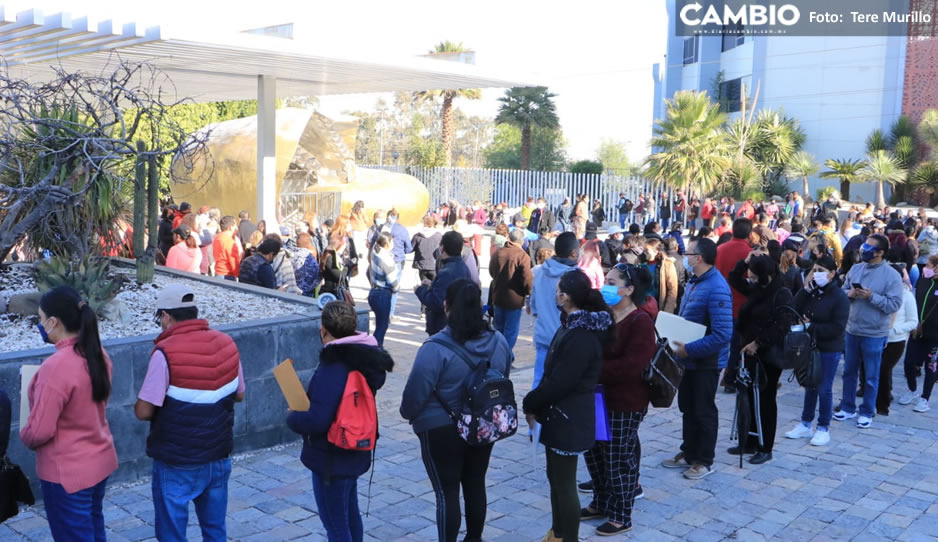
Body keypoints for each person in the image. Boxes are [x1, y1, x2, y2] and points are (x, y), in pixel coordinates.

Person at [400, 280, 512, 542]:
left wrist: (408, 414)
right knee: (475, 483)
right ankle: (474, 539)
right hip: (484, 423)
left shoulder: (435, 348)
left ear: (446, 305)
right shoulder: (499, 342)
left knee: (446, 492)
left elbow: (415, 395)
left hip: (440, 428)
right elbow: (501, 379)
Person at [134, 284, 244, 542]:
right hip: (218, 457)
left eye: (159, 318)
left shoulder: (165, 353)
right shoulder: (227, 343)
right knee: (215, 530)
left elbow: (143, 411)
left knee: (172, 533)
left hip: (177, 461)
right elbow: (239, 394)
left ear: (166, 317)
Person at [287, 301, 393, 542]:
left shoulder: (333, 367)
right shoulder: (365, 358)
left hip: (331, 457)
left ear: (323, 329)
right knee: (350, 517)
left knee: (336, 527)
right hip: (355, 449)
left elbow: (317, 420)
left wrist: (293, 416)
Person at [20, 286, 117, 541]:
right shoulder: (98, 354)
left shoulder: (56, 367)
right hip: (99, 460)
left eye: (41, 319)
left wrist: (25, 434)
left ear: (53, 322)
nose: (40, 325)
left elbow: (39, 431)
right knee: (94, 529)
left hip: (67, 474)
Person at [523, 269, 613, 542]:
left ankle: (568, 537)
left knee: (564, 484)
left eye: (558, 290)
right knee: (556, 477)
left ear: (565, 296)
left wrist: (531, 401)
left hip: (569, 416)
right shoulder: (572, 325)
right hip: (560, 413)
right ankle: (558, 533)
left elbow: (562, 380)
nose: (555, 295)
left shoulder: (582, 334)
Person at [581, 264, 655, 536]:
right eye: (606, 280)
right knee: (595, 454)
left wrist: (591, 370)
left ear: (629, 289)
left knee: (617, 458)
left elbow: (631, 366)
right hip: (597, 397)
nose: (606, 286)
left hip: (624, 402)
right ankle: (601, 502)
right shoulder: (604, 315)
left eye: (612, 282)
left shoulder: (640, 321)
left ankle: (621, 515)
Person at [662, 238, 732, 480]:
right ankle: (689, 451)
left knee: (703, 410)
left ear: (699, 258)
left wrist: (689, 349)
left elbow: (723, 334)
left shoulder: (716, 287)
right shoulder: (695, 282)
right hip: (687, 359)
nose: (685, 257)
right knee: (688, 407)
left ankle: (704, 459)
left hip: (706, 361)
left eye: (689, 253)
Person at [727, 253, 794, 464]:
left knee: (765, 401)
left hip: (767, 354)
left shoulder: (781, 293)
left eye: (755, 277)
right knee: (746, 397)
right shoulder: (758, 289)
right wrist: (744, 262)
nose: (752, 280)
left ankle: (766, 447)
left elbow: (781, 326)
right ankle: (749, 440)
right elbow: (734, 279)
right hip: (747, 351)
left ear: (766, 275)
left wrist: (758, 343)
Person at [834, 234, 904, 428]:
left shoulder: (892, 275)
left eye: (869, 247)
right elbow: (842, 291)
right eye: (864, 246)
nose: (864, 250)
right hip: (852, 329)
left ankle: (867, 410)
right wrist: (849, 293)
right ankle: (847, 407)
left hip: (875, 333)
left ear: (880, 252)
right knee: (849, 371)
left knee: (872, 376)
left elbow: (894, 304)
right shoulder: (856, 269)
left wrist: (871, 297)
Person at [785, 255, 850, 446]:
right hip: (810, 347)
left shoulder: (839, 297)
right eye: (814, 270)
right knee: (810, 385)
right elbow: (793, 309)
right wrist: (804, 291)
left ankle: (823, 427)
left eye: (821, 271)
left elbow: (838, 327)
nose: (816, 274)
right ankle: (805, 423)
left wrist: (811, 326)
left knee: (824, 388)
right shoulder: (813, 292)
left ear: (832, 273)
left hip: (829, 348)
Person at [530, 233, 580, 388]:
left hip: (543, 335)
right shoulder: (576, 277)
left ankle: (533, 410)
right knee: (564, 383)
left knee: (539, 379)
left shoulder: (539, 272)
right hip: (566, 339)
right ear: (574, 253)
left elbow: (534, 307)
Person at [873, 264, 919, 415]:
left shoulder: (907, 296)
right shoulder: (881, 293)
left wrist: (894, 330)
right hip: (877, 336)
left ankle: (882, 406)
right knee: (874, 371)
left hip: (896, 341)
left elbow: (913, 322)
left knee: (883, 370)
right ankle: (872, 402)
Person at [715, 218, 754, 393]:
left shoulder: (719, 249)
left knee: (718, 341)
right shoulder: (749, 254)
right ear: (749, 233)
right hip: (740, 305)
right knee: (736, 345)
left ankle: (717, 374)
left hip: (719, 303)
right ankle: (730, 379)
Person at [899, 254, 938, 411]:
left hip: (935, 335)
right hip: (917, 331)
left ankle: (925, 398)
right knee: (909, 362)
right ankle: (912, 390)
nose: (925, 268)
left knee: (931, 367)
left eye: (928, 266)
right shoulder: (923, 281)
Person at [416, 231, 473, 337]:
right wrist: (432, 284)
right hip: (455, 323)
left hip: (443, 326)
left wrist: (420, 291)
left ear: (442, 248)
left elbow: (437, 302)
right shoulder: (462, 267)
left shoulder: (447, 271)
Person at [489, 229, 534, 350]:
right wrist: (530, 293)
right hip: (515, 299)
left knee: (498, 329)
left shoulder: (498, 253)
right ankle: (505, 356)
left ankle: (497, 354)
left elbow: (491, 272)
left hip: (498, 296)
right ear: (522, 241)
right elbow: (527, 279)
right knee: (511, 332)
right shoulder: (522, 256)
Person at [368, 232, 401, 347]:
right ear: (387, 243)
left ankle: (376, 349)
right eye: (391, 241)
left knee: (379, 325)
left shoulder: (375, 251)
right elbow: (393, 282)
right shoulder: (386, 259)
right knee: (382, 327)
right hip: (383, 294)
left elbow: (368, 271)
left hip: (374, 292)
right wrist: (397, 288)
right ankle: (376, 350)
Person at [641, 236, 678, 314]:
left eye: (647, 250)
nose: (644, 252)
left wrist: (667, 312)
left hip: (658, 307)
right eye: (644, 250)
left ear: (656, 251)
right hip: (641, 306)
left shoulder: (667, 264)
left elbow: (673, 290)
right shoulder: (640, 263)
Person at [412, 216, 442, 284]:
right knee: (434, 288)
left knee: (424, 287)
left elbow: (410, 249)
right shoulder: (438, 236)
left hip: (422, 265)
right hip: (434, 266)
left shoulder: (417, 236)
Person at [291, 232, 321, 297]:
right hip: (306, 293)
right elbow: (318, 276)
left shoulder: (289, 255)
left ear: (296, 242)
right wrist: (309, 287)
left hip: (290, 291)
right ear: (309, 243)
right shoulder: (309, 258)